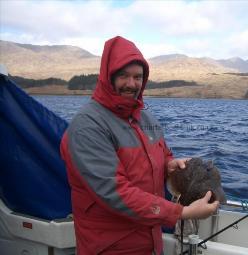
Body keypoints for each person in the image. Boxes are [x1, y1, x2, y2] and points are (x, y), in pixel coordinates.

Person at [60, 36, 219, 255]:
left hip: (151, 243)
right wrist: (182, 212)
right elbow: (115, 192)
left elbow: (163, 155)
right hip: (110, 248)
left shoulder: (147, 119)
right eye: (123, 75)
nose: (132, 83)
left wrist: (169, 166)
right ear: (108, 77)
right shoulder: (87, 126)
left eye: (138, 77)